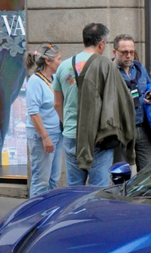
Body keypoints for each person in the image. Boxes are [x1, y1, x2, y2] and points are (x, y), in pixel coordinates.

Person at [53, 23, 134, 187]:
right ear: (102, 43)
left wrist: (69, 123)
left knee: (75, 187)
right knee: (99, 187)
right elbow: (118, 101)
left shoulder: (63, 66)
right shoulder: (106, 66)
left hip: (71, 135)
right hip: (98, 136)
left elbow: (57, 103)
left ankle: (77, 213)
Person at [24, 43, 63, 197]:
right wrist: (45, 137)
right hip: (42, 135)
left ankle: (49, 212)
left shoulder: (54, 79)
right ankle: (34, 215)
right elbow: (33, 113)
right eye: (58, 59)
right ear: (48, 61)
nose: (60, 62)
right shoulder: (35, 81)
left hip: (57, 133)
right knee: (41, 181)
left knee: (54, 179)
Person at [112, 33, 151, 170]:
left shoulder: (139, 68)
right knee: (121, 175)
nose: (129, 55)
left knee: (148, 173)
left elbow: (149, 86)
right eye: (124, 52)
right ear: (115, 52)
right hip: (121, 131)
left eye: (131, 52)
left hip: (143, 129)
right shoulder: (108, 71)